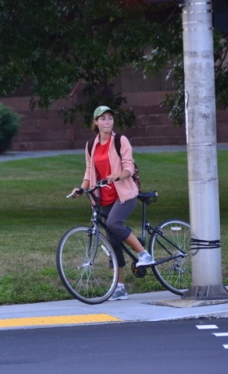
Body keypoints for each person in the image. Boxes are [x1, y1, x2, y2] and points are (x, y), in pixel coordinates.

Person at [70, 105, 154, 301]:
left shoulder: (120, 141)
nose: (107, 122)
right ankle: (120, 287)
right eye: (103, 118)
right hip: (103, 198)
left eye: (110, 118)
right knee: (113, 242)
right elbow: (89, 170)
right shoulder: (91, 145)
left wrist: (119, 175)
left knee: (114, 224)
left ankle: (144, 255)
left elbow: (129, 167)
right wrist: (81, 188)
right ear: (96, 122)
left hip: (124, 194)